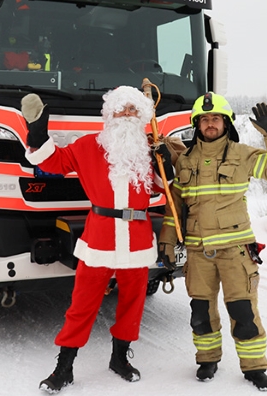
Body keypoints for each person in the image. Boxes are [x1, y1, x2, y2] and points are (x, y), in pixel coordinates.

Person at [21, 86, 174, 393]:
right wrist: (38, 134)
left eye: (133, 110)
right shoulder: (89, 145)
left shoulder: (147, 150)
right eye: (121, 109)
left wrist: (165, 160)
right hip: (100, 236)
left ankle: (120, 358)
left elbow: (163, 186)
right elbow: (53, 163)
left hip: (137, 237)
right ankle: (64, 367)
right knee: (82, 304)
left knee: (133, 303)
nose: (127, 114)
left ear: (142, 116)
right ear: (110, 114)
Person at [157, 93, 267, 391]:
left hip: (236, 251)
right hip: (198, 252)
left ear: (226, 122)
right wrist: (166, 243)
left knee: (243, 311)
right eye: (204, 119)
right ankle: (207, 359)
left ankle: (254, 367)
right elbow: (174, 207)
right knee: (201, 312)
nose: (210, 124)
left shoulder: (242, 155)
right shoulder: (185, 161)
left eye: (215, 118)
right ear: (196, 124)